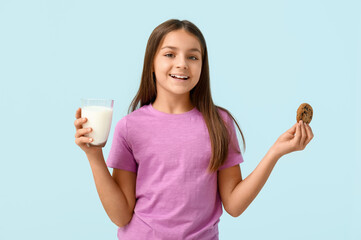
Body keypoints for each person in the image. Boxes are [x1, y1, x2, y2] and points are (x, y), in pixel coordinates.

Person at [74, 19, 314, 240]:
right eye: (169, 54)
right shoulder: (130, 127)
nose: (182, 64)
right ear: (152, 64)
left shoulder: (219, 123)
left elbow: (234, 205)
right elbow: (120, 216)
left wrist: (275, 152)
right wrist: (94, 156)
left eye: (193, 57)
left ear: (202, 66)